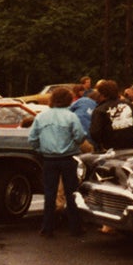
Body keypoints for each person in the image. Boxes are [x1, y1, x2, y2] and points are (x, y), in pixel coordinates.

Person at [28, 87, 88, 237]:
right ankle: (75, 227)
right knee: (72, 193)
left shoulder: (41, 117)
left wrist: (42, 149)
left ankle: (47, 227)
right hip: (68, 158)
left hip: (49, 159)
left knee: (50, 193)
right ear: (68, 100)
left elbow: (32, 139)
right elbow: (80, 137)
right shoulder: (71, 116)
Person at [88, 80, 133, 152]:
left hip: (110, 151)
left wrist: (104, 143)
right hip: (130, 149)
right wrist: (132, 137)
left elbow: (95, 133)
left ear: (102, 94)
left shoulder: (100, 110)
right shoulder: (128, 105)